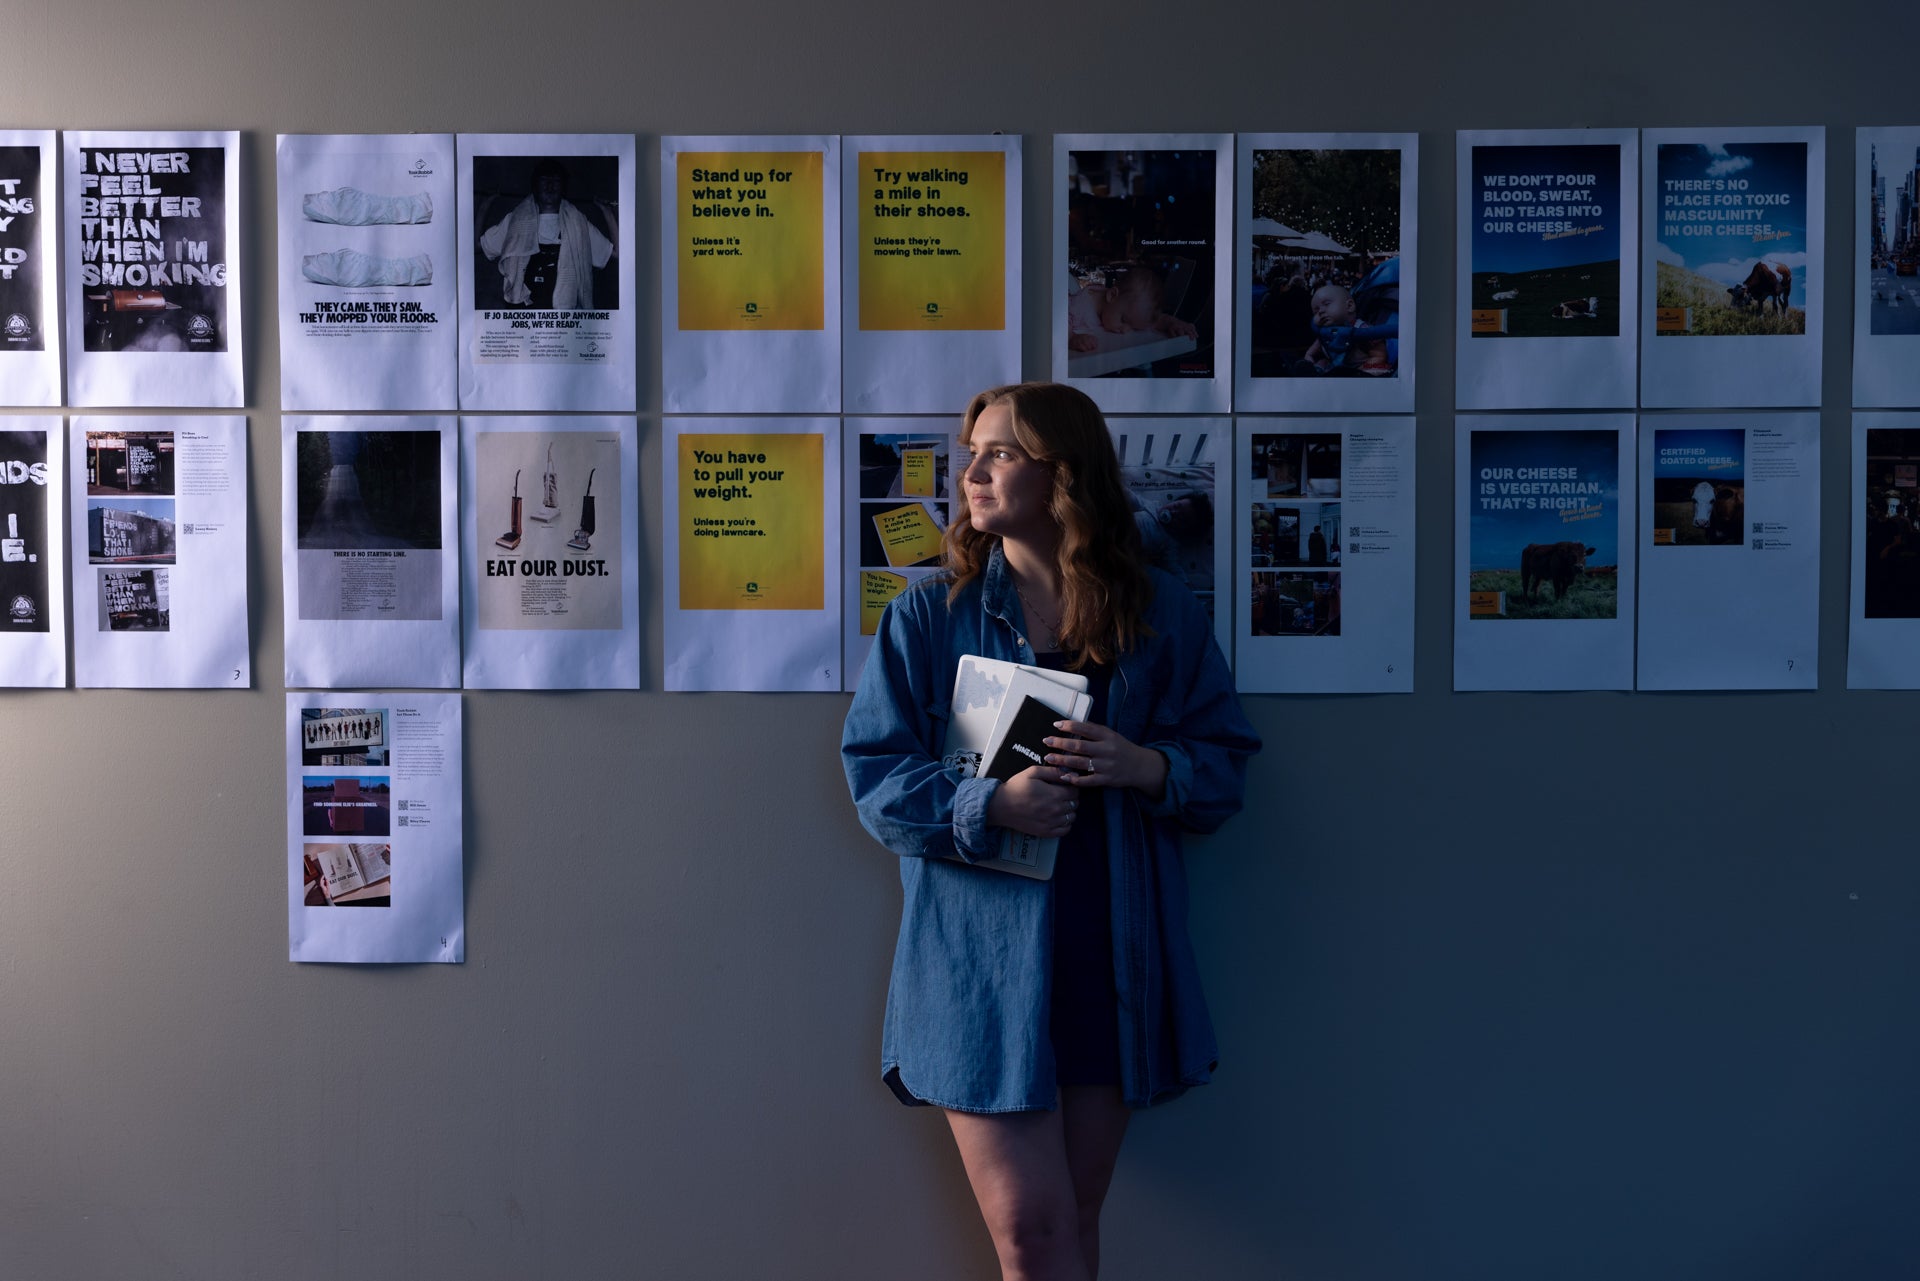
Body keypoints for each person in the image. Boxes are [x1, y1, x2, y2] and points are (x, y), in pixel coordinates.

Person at [843, 382, 1260, 1281]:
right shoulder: (930, 616)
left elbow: (1224, 760)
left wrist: (1142, 764)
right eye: (972, 452)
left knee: (1071, 1219)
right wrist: (991, 805)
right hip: (981, 964)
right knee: (1032, 1235)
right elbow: (874, 778)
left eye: (1000, 453)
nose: (973, 472)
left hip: (1113, 951)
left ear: (1061, 474)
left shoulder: (1156, 612)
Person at [477, 158, 616, 309]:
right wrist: (484, 205)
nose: (550, 186)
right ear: (535, 187)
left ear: (563, 188)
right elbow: (476, 246)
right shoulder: (514, 222)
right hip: (523, 321)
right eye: (544, 180)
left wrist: (608, 212)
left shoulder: (580, 224)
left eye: (556, 181)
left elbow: (617, 254)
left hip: (564, 324)